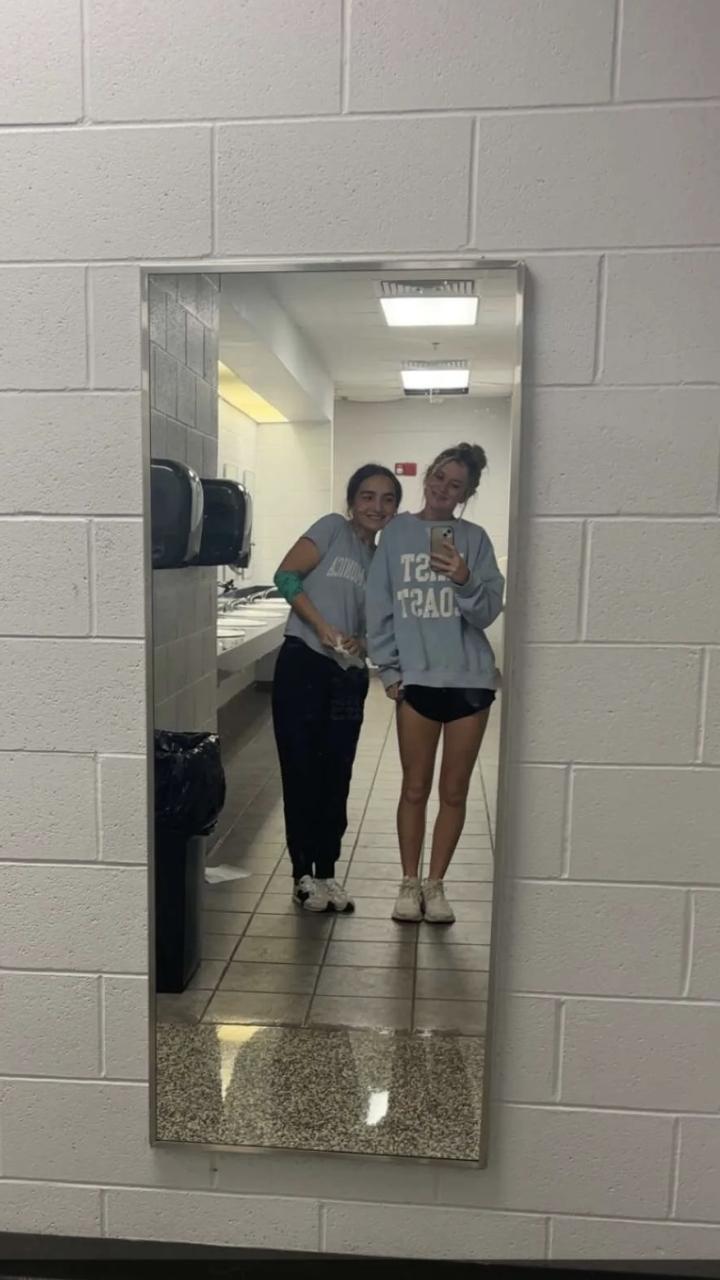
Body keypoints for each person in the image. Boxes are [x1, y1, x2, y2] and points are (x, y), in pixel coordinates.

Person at [366, 443, 504, 925]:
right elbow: (379, 606)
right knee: (414, 788)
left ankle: (436, 884)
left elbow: (487, 612)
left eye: (456, 485)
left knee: (454, 792)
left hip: (469, 681)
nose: (444, 489)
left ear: (467, 494)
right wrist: (389, 671)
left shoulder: (476, 540)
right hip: (417, 681)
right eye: (440, 478)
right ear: (427, 477)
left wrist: (464, 577)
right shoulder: (396, 533)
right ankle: (409, 882)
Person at [271, 464, 402, 913]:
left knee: (337, 775)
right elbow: (286, 577)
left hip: (347, 677)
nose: (376, 506)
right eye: (368, 496)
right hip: (303, 664)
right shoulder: (330, 529)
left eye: (387, 499)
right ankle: (302, 875)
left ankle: (327, 871)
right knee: (301, 770)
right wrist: (321, 626)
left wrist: (362, 642)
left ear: (395, 509)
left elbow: (377, 627)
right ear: (351, 502)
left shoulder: (382, 562)